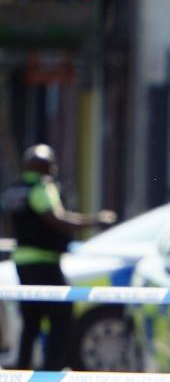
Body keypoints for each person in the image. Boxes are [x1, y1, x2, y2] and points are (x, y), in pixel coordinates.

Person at [2, 144, 115, 369]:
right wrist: (95, 221)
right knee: (62, 314)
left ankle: (25, 372)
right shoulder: (42, 187)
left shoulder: (15, 189)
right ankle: (53, 370)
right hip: (44, 261)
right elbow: (57, 219)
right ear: (47, 167)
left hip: (22, 261)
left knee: (31, 318)